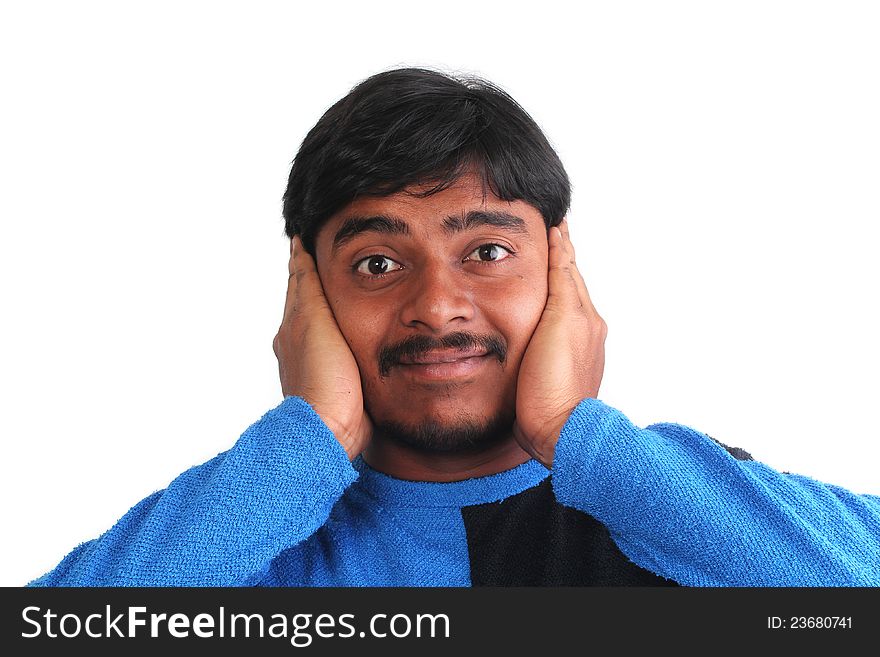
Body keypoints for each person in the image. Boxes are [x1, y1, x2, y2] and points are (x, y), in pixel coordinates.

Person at [29, 67, 880, 587]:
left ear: (559, 270)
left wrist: (582, 438)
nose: (437, 305)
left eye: (486, 250)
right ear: (306, 295)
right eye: (376, 263)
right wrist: (305, 443)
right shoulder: (236, 544)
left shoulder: (684, 512)